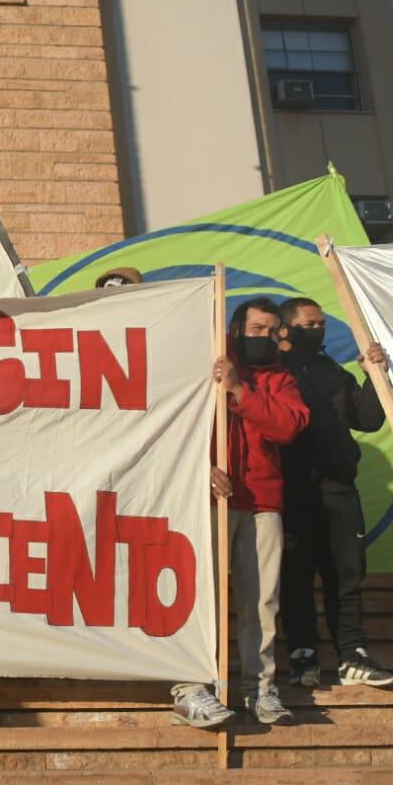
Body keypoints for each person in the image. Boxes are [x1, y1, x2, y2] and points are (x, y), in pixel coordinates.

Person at [172, 298, 309, 729]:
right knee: (200, 597)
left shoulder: (281, 379)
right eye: (255, 330)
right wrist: (201, 468)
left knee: (261, 602)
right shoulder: (204, 368)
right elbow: (175, 427)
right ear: (234, 329)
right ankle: (192, 685)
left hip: (263, 502)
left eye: (271, 331)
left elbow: (287, 426)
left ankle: (260, 689)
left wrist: (238, 391)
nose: (264, 338)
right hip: (208, 500)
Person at [276, 297, 393, 689]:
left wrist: (372, 376)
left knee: (346, 574)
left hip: (340, 489)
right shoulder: (275, 373)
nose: (318, 331)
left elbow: (367, 418)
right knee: (296, 576)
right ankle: (303, 655)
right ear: (285, 330)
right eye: (309, 325)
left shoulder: (332, 371)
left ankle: (352, 655)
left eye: (321, 324)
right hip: (293, 492)